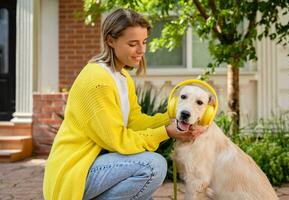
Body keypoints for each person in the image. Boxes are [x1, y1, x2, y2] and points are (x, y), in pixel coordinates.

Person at [43, 8, 206, 200]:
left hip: (97, 166)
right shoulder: (98, 80)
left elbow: (135, 121)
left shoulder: (122, 77)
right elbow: (118, 140)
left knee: (143, 193)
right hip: (74, 171)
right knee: (153, 166)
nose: (141, 50)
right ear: (110, 40)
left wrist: (175, 118)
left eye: (144, 42)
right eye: (133, 44)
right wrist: (166, 132)